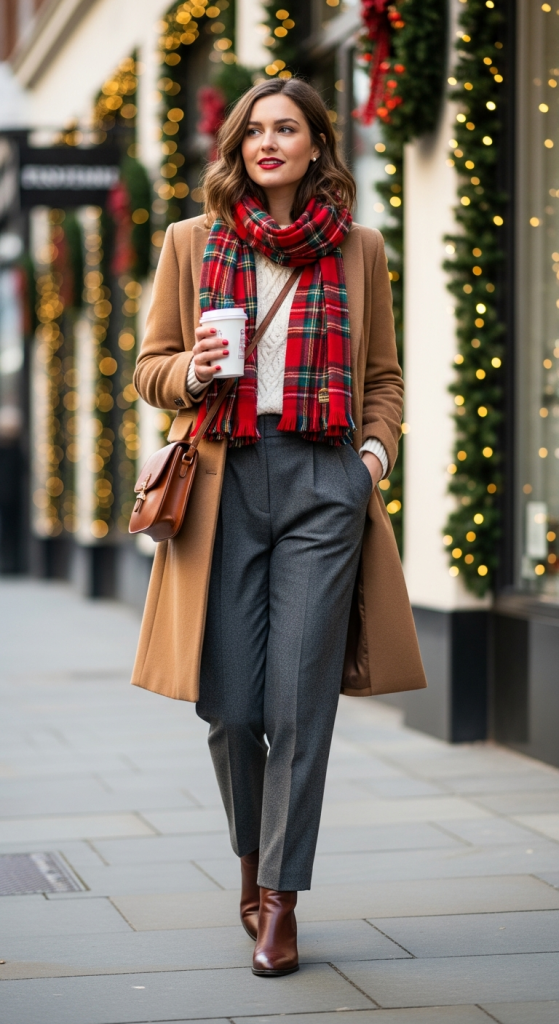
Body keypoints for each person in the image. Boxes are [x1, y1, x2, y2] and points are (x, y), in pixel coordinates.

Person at [131, 77, 426, 978]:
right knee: (230, 710)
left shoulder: (358, 250)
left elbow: (382, 377)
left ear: (314, 145)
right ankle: (251, 870)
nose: (268, 142)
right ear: (237, 147)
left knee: (300, 702)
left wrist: (367, 465)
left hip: (319, 483)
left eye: (286, 128)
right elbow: (147, 369)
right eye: (253, 129)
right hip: (221, 479)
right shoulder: (191, 243)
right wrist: (193, 367)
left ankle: (282, 905)